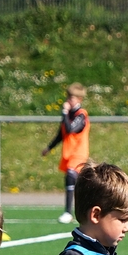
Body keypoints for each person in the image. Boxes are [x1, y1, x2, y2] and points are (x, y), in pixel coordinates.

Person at [42, 82, 91, 224]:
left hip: (78, 153)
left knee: (71, 176)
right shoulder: (68, 115)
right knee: (79, 182)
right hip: (68, 154)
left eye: (72, 98)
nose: (69, 100)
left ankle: (68, 212)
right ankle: (81, 211)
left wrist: (64, 113)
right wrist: (49, 148)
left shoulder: (81, 115)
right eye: (68, 97)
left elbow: (70, 129)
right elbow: (61, 134)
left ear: (79, 99)